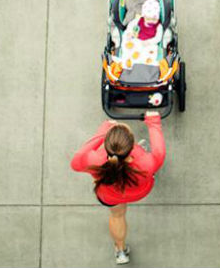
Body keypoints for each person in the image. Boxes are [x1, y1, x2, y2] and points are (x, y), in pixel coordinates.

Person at [70, 111, 165, 264]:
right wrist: (153, 120)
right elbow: (159, 151)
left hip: (111, 196)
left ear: (107, 145)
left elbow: (76, 161)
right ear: (131, 146)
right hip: (139, 191)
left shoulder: (94, 160)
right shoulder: (147, 163)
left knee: (117, 216)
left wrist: (103, 131)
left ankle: (120, 251)